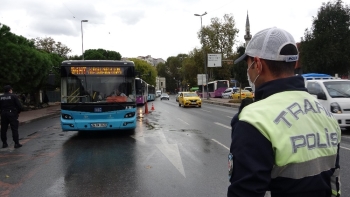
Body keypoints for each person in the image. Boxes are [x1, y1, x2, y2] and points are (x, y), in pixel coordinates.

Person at [227, 27, 341, 197]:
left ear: (258, 64)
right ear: (294, 63)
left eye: (249, 65)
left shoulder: (253, 120)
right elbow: (333, 182)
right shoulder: (325, 114)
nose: (248, 72)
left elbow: (244, 192)